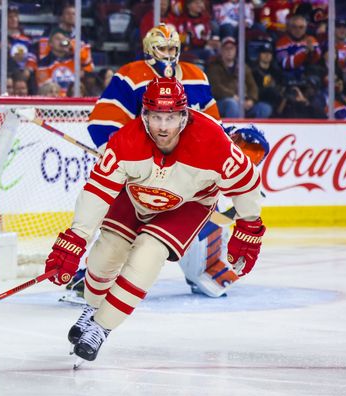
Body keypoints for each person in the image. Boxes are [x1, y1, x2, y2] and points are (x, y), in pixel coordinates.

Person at [46, 78, 265, 363]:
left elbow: (246, 182)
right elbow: (97, 193)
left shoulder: (214, 143)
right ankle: (92, 308)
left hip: (188, 204)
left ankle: (100, 328)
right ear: (144, 116)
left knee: (148, 254)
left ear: (184, 116)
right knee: (106, 252)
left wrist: (249, 227)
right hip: (136, 194)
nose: (163, 126)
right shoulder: (125, 141)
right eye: (157, 117)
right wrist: (75, 239)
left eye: (171, 117)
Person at [85, 24, 258, 300]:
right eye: (162, 48)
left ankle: (205, 267)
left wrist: (228, 146)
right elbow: (103, 120)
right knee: (120, 223)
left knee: (207, 209)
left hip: (188, 169)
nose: (168, 54)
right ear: (149, 49)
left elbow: (214, 125)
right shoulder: (131, 75)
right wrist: (118, 154)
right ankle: (94, 276)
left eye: (172, 48)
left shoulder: (196, 76)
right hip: (146, 169)